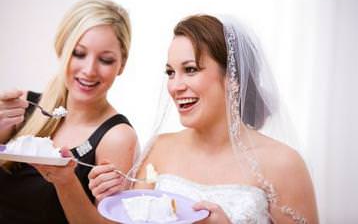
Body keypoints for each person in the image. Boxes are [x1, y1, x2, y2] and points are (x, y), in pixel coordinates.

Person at [88, 15, 319, 223]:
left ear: (232, 77)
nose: (175, 86)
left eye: (190, 70)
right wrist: (112, 199)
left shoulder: (283, 164)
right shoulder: (159, 149)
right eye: (170, 72)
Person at [0, 0, 137, 224]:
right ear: (61, 49)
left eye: (105, 59)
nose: (89, 70)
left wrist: (66, 182)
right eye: (79, 53)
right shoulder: (23, 106)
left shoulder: (116, 137)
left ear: (121, 64)